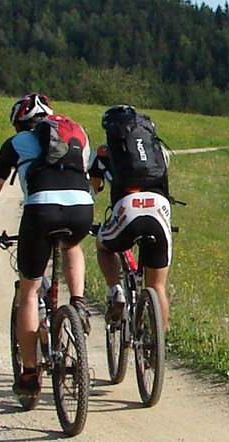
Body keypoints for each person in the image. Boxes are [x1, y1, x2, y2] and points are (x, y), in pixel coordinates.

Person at [0, 93, 96, 401]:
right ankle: (78, 303)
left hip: (41, 210)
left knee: (28, 291)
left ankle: (28, 374)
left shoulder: (17, 144)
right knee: (71, 246)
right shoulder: (77, 133)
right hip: (82, 207)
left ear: (21, 123)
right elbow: (89, 176)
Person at [91, 104, 176, 326]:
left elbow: (92, 189)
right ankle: (158, 350)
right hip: (159, 207)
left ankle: (115, 290)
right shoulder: (158, 151)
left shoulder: (102, 153)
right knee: (157, 287)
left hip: (126, 208)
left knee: (103, 245)